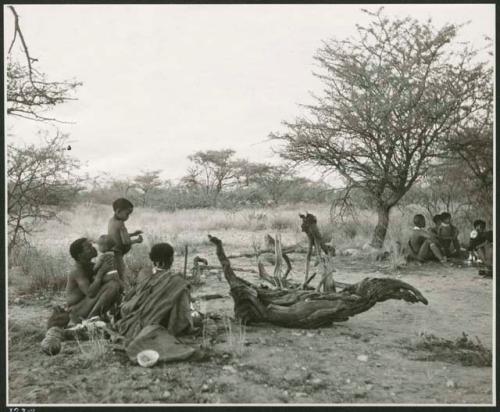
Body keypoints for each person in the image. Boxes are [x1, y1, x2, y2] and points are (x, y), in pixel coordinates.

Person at [117, 242, 195, 339]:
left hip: (135, 313)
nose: (172, 261)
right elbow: (183, 309)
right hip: (159, 320)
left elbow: (135, 296)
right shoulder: (176, 281)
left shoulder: (144, 272)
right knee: (181, 291)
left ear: (154, 260)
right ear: (161, 262)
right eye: (171, 258)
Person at [65, 238, 121, 323]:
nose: (93, 248)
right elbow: (90, 293)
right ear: (80, 255)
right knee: (113, 285)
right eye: (88, 248)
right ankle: (92, 320)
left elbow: (107, 280)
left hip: (86, 306)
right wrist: (101, 272)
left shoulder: (92, 266)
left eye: (91, 245)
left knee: (115, 284)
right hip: (77, 312)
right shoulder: (77, 270)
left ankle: (106, 316)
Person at [107, 198, 143, 282]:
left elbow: (119, 236)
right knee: (121, 273)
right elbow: (125, 242)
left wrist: (133, 234)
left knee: (115, 272)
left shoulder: (111, 221)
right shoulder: (120, 224)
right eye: (127, 214)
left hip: (112, 251)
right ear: (118, 211)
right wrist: (137, 241)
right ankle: (122, 289)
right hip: (117, 253)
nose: (128, 217)